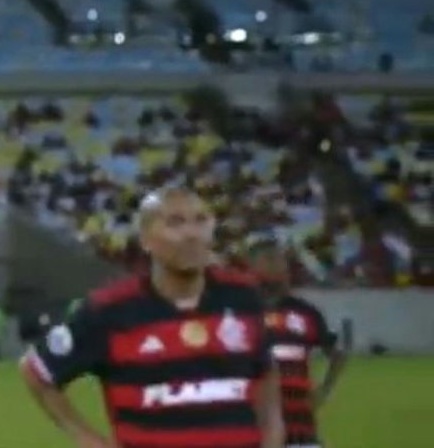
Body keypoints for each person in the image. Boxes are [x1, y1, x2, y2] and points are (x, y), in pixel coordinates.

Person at [23, 186, 285, 448]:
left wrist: (273, 433)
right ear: (146, 239)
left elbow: (265, 368)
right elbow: (36, 371)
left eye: (201, 221)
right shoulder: (110, 309)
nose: (192, 234)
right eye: (175, 223)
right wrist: (89, 440)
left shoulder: (243, 296)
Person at [250, 245, 349, 448]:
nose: (278, 268)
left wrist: (324, 390)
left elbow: (337, 354)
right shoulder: (243, 312)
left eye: (280, 263)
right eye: (269, 261)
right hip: (254, 426)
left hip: (300, 426)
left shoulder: (306, 312)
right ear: (254, 268)